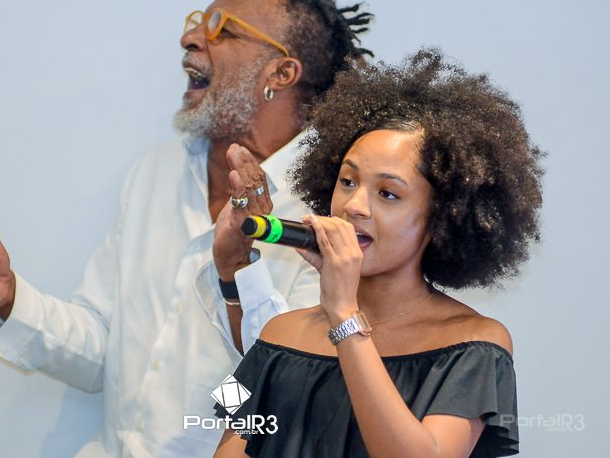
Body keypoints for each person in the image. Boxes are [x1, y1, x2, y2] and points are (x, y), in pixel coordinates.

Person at [0, 0, 373, 457]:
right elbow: (103, 348)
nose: (190, 38)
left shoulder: (332, 208)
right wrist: (9, 299)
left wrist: (204, 418)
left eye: (221, 28)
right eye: (197, 22)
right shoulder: (155, 171)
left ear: (281, 72)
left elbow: (292, 385)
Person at [213, 49, 544, 458]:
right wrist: (233, 265)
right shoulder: (275, 334)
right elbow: (223, 436)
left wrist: (344, 315)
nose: (354, 206)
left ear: (442, 218)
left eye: (388, 193)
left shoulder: (478, 346)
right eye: (347, 181)